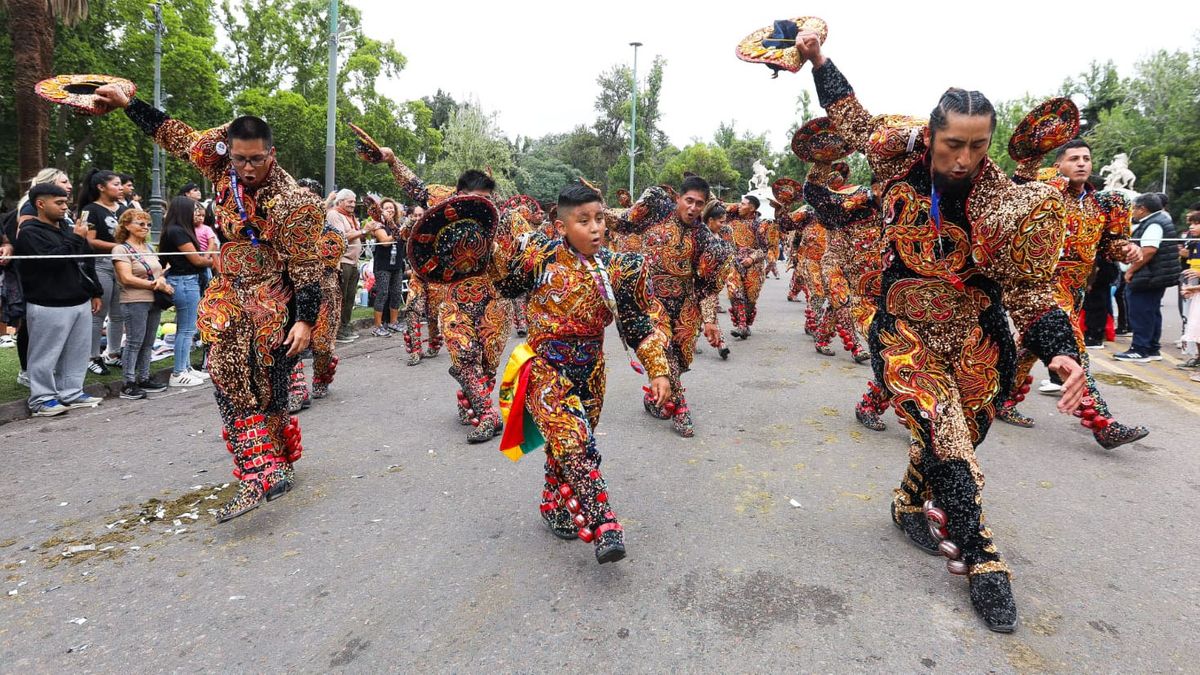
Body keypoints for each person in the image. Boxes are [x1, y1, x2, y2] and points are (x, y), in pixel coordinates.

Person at [795, 31, 1085, 632]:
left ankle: (908, 503)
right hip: (903, 329)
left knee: (960, 434)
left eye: (977, 148)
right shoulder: (896, 151)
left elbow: (1031, 288)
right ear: (931, 137)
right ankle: (982, 558)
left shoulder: (1008, 204)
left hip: (978, 338)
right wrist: (819, 61)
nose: (963, 159)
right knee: (947, 434)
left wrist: (1059, 352)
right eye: (953, 144)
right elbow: (850, 119)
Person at [93, 83, 323, 523]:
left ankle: (271, 465)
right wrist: (129, 105)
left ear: (271, 154)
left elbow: (308, 265)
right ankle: (262, 470)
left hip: (275, 296)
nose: (248, 167)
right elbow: (175, 134)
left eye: (257, 159)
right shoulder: (220, 166)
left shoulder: (293, 201)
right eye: (240, 159)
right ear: (230, 152)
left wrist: (306, 320)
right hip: (229, 292)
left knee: (266, 381)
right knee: (226, 371)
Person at [492, 182, 671, 564]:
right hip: (543, 367)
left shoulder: (620, 268)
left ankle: (553, 503)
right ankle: (605, 524)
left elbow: (638, 323)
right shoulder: (538, 257)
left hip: (591, 370)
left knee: (567, 448)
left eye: (600, 218)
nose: (596, 229)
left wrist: (659, 370)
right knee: (575, 442)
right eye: (583, 221)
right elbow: (503, 284)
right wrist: (488, 247)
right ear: (561, 227)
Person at [994, 138, 1147, 449]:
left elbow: (1109, 245)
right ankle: (1104, 425)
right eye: (1074, 158)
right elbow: (1012, 196)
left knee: (1028, 349)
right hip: (1041, 288)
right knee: (1073, 354)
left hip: (1074, 289)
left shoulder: (1102, 205)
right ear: (1059, 164)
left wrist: (1127, 248)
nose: (1081, 163)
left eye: (1086, 158)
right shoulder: (1044, 193)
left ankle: (1000, 400)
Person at [373, 147, 512, 442]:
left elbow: (524, 258)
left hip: (494, 301)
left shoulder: (503, 220)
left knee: (485, 363)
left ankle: (474, 401)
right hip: (454, 300)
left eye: (486, 200)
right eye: (473, 199)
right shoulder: (443, 205)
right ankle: (488, 415)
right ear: (457, 194)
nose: (480, 205)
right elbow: (416, 188)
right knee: (463, 356)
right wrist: (392, 160)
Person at [608, 177, 732, 438]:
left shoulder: (704, 239)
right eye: (689, 201)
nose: (693, 208)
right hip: (650, 299)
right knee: (663, 350)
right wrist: (592, 211)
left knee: (682, 358)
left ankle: (657, 397)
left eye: (699, 203)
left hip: (685, 303)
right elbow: (623, 221)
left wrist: (709, 320)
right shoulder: (655, 213)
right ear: (678, 198)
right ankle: (681, 410)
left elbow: (706, 286)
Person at [13, 183, 104, 416]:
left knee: (77, 351)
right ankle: (42, 399)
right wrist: (75, 238)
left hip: (79, 299)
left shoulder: (68, 228)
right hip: (47, 302)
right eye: (59, 202)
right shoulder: (29, 232)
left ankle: (71, 392)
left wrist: (95, 291)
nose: (65, 207)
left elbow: (85, 259)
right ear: (40, 204)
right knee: (45, 354)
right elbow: (52, 261)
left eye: (66, 202)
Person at [2, 168, 76, 388]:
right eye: (64, 181)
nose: (70, 185)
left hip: (59, 273)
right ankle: (28, 372)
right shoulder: (29, 207)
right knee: (29, 324)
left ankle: (49, 373)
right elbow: (26, 237)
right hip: (36, 275)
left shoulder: (60, 211)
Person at [112, 209, 172, 399]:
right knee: (134, 342)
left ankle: (144, 377)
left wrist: (161, 279)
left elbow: (159, 269)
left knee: (148, 342)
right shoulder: (121, 249)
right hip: (134, 299)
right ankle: (128, 383)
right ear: (126, 225)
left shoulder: (149, 247)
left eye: (148, 224)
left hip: (153, 299)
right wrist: (155, 284)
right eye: (140, 223)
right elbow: (125, 277)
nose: (145, 227)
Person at [1114, 193, 1181, 363]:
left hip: (1148, 276)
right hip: (1154, 275)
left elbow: (1149, 250)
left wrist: (1130, 271)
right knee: (1151, 312)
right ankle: (1151, 348)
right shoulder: (1158, 220)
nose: (1132, 212)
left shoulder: (1154, 223)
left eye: (1134, 208)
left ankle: (1140, 349)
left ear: (1142, 209)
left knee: (1141, 312)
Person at [77, 168, 128, 376]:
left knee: (119, 313)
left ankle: (113, 353)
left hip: (122, 264)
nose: (120, 187)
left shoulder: (124, 208)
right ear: (101, 187)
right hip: (101, 264)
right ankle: (91, 356)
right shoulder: (90, 209)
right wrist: (118, 247)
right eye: (115, 184)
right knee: (99, 312)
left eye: (120, 184)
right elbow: (89, 240)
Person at [159, 196, 213, 387]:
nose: (196, 213)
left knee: (188, 328)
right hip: (184, 280)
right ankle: (178, 371)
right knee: (186, 329)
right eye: (193, 209)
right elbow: (197, 260)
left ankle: (187, 367)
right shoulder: (177, 232)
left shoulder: (178, 230)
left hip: (188, 280)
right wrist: (212, 258)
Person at [398, 204, 442, 366]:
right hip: (417, 277)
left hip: (435, 277)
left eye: (420, 215)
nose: (418, 218)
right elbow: (402, 234)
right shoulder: (410, 230)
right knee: (412, 310)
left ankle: (433, 343)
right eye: (415, 215)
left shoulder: (435, 228)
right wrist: (411, 222)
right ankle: (416, 350)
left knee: (433, 313)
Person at [723, 194, 770, 340]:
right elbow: (718, 206)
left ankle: (744, 324)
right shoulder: (731, 219)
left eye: (743, 204)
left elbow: (764, 249)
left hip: (753, 266)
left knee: (750, 299)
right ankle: (742, 326)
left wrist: (751, 258)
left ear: (752, 208)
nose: (739, 206)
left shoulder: (759, 225)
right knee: (734, 292)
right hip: (733, 262)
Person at [327, 189, 364, 344]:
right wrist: (363, 231)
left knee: (349, 297)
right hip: (342, 261)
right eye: (349, 201)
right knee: (341, 297)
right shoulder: (334, 214)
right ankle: (338, 330)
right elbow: (340, 236)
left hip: (353, 262)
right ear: (340, 201)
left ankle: (345, 326)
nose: (352, 205)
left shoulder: (350, 217)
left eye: (354, 202)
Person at [367, 198, 405, 337]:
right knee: (382, 293)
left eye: (392, 208)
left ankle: (393, 322)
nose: (390, 210)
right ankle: (377, 326)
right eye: (386, 208)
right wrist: (397, 232)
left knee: (396, 292)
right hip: (383, 265)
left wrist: (397, 228)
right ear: (381, 211)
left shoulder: (399, 224)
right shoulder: (378, 225)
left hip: (397, 264)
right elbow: (385, 242)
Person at [701, 201, 732, 360]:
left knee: (710, 313)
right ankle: (720, 344)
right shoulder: (700, 235)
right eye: (720, 221)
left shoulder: (722, 235)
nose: (722, 225)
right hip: (697, 284)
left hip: (712, 285)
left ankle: (721, 344)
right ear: (710, 220)